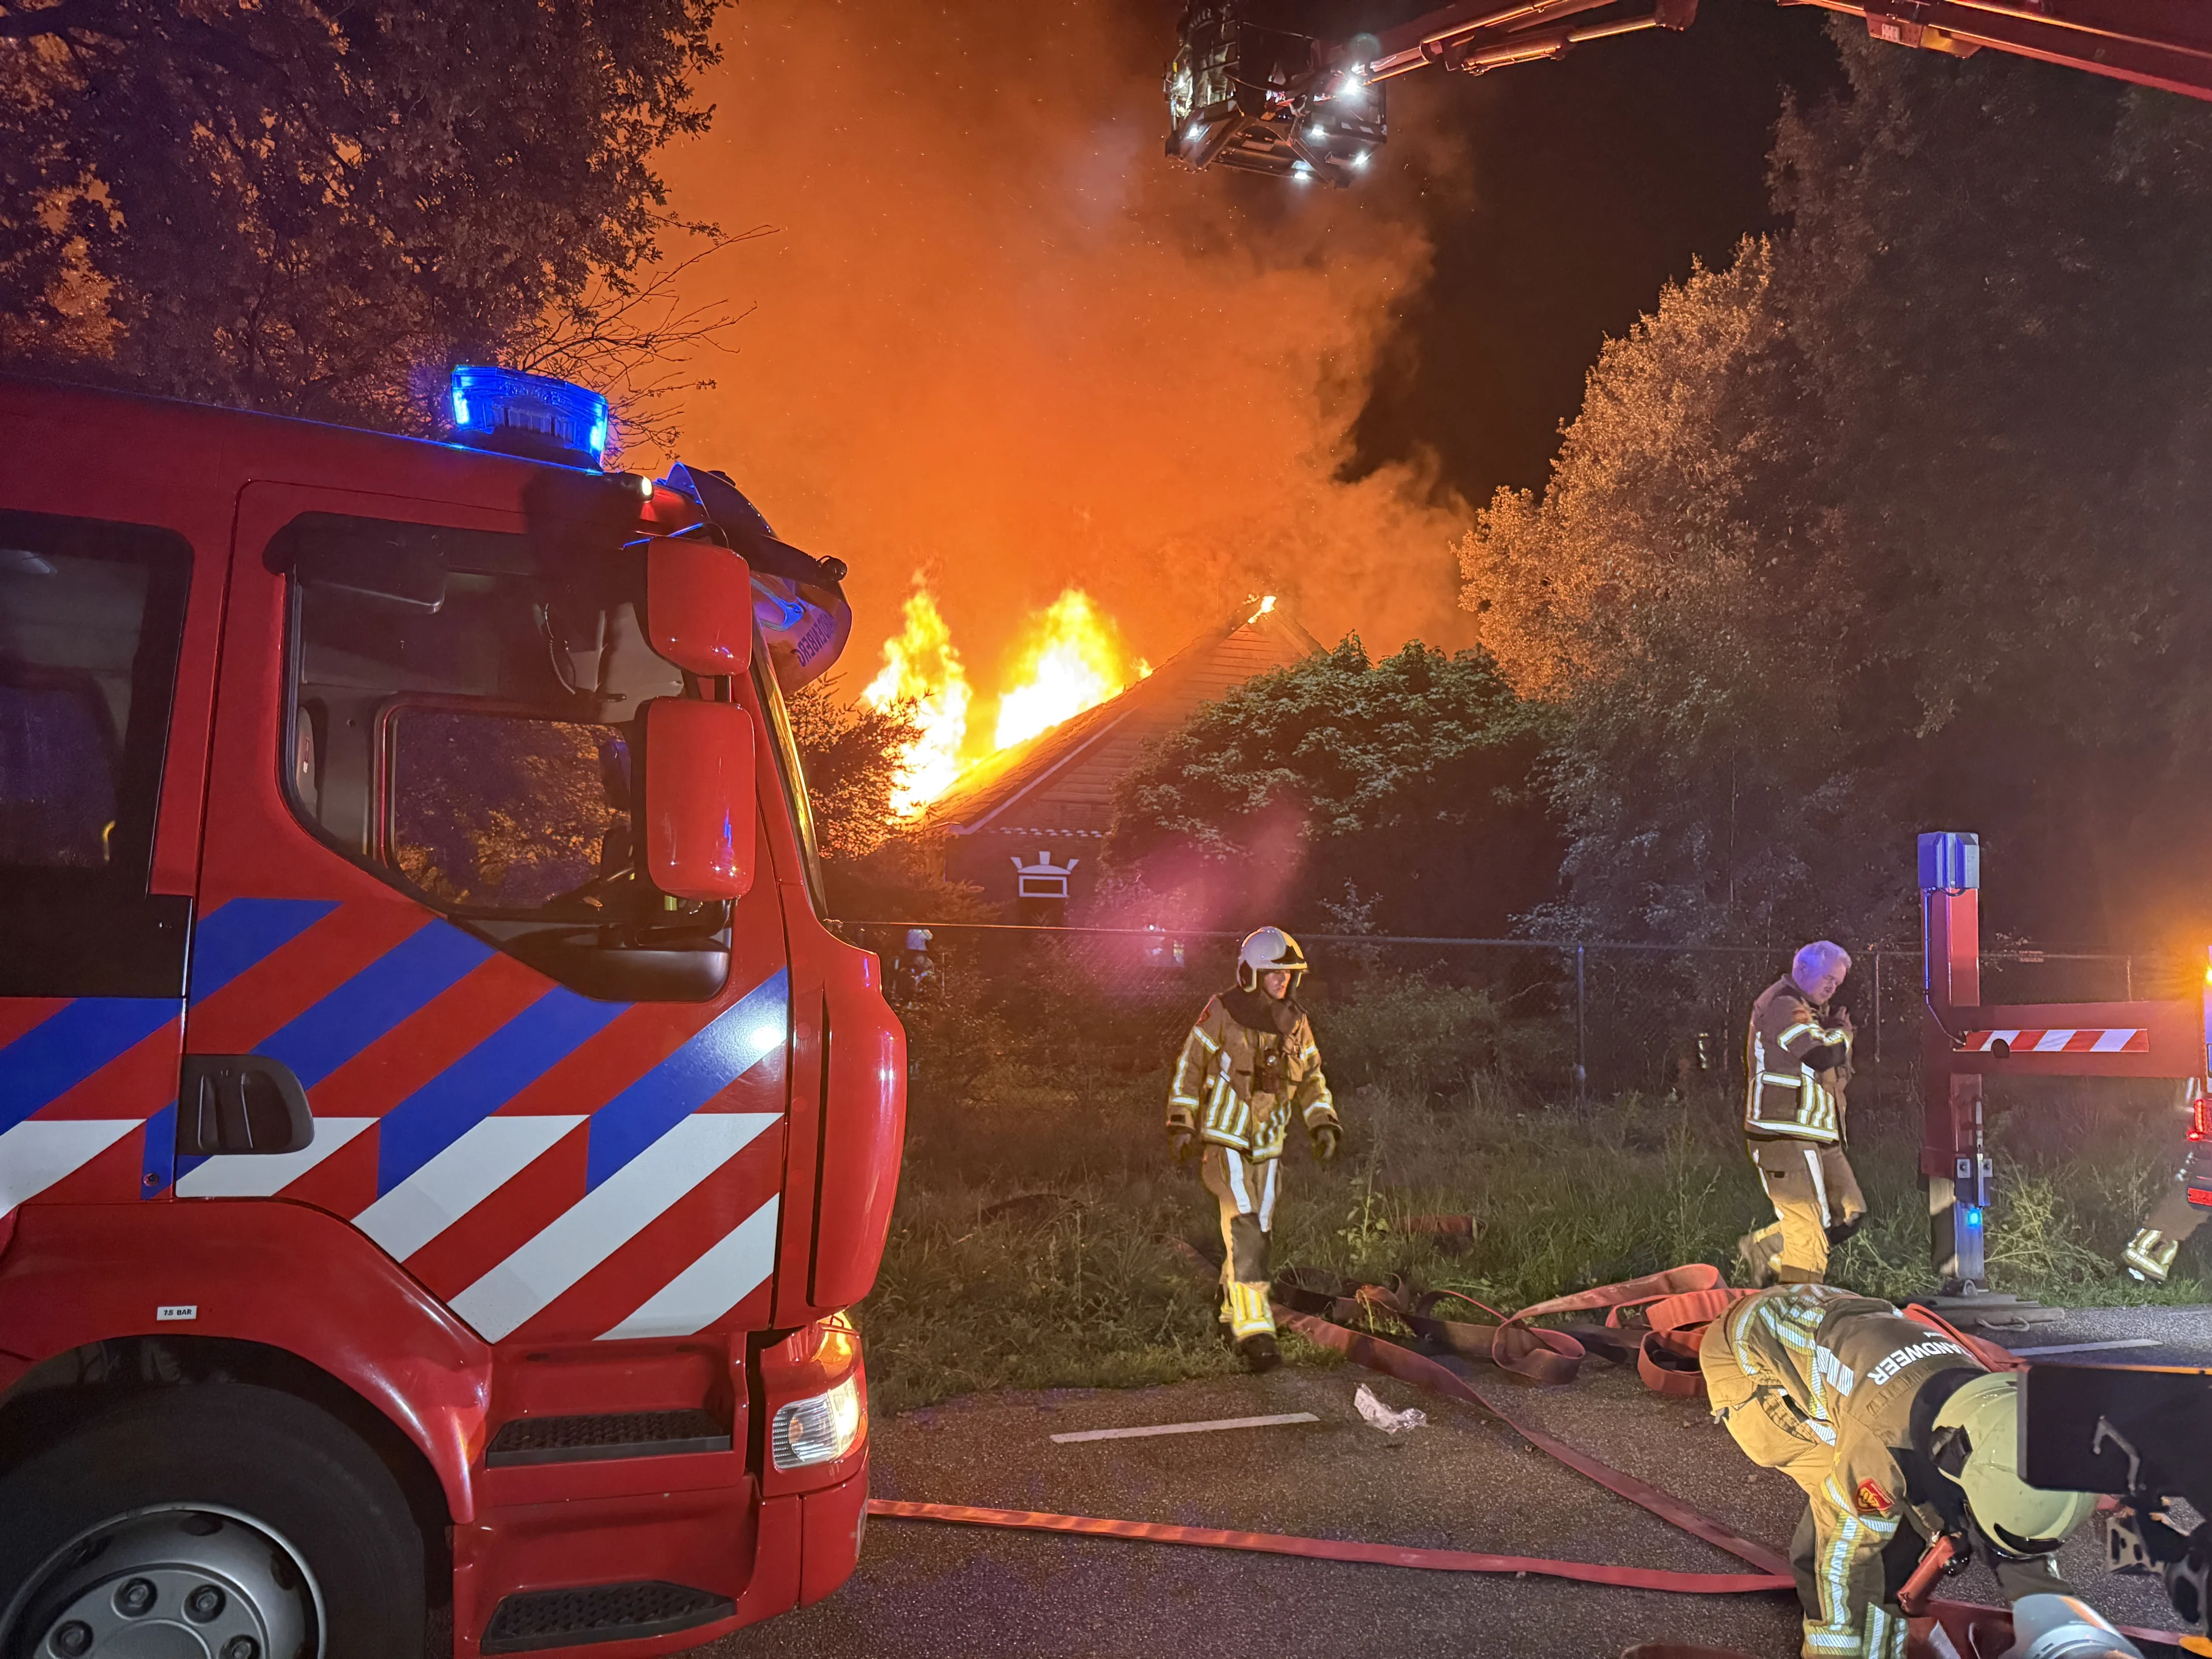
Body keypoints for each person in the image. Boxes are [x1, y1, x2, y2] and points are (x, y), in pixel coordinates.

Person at [1702, 1283, 2100, 1659]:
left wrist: (2060, 1623)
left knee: (1914, 1512)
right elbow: (1845, 1555)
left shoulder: (1999, 1409)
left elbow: (2025, 1522)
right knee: (1868, 1530)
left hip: (1825, 1315)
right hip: (1748, 1363)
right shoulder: (1883, 1437)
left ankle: (1881, 1627)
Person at [1165, 926, 1339, 1372]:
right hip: (1226, 1141)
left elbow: (1313, 1076)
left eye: (1288, 976)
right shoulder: (1222, 1012)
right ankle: (1254, 1328)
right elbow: (1190, 1065)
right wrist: (1182, 1121)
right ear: (1251, 974)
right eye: (1274, 975)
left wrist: (1322, 1121)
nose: (1283, 983)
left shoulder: (1295, 1021)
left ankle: (1229, 1308)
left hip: (1270, 1145)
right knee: (1246, 1229)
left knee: (1256, 1229)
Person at [1739, 940, 1866, 1286]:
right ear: (1803, 969)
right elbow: (1822, 1056)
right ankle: (1798, 1313)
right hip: (1784, 1133)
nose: (1832, 987)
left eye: (1837, 982)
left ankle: (1765, 1249)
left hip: (1818, 1133)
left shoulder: (1811, 1010)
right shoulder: (1784, 1006)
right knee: (1808, 1237)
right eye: (1828, 978)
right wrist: (1841, 1033)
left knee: (1849, 1214)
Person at [2120, 1084, 2212, 1282]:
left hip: (2199, 1181)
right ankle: (2153, 1270)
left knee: (2162, 1225)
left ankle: (2142, 1261)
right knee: (2174, 1233)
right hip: (2201, 1181)